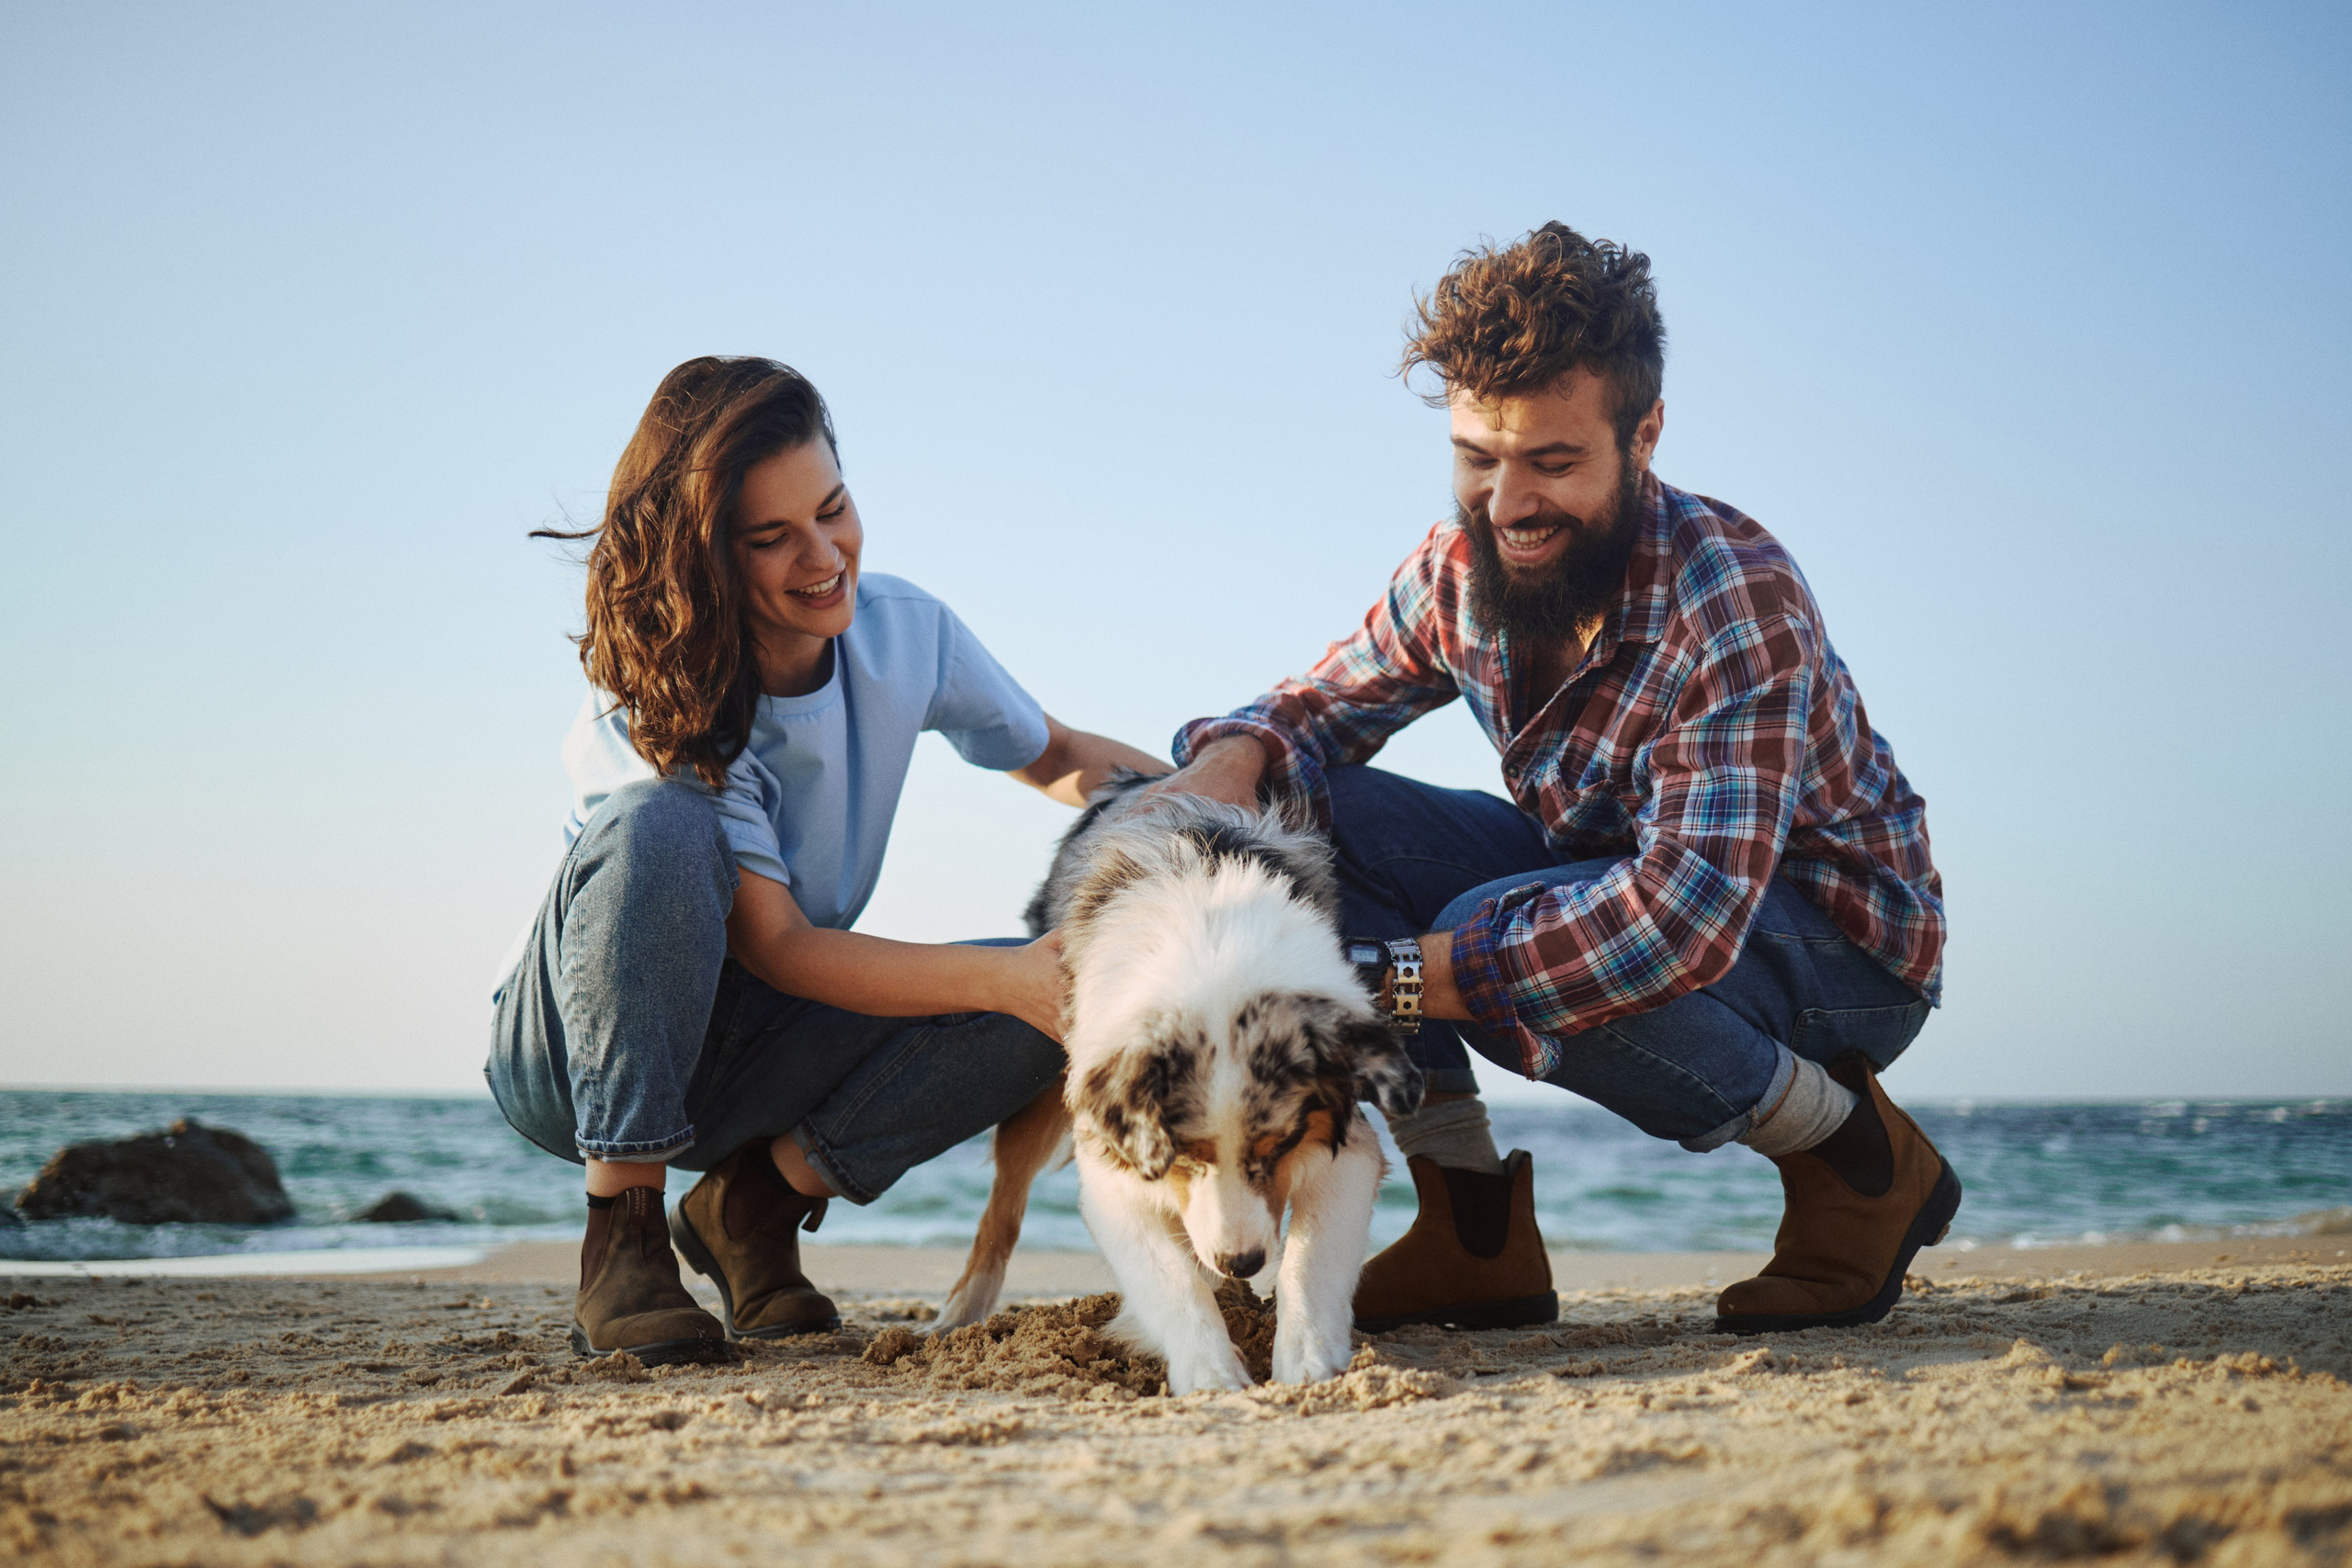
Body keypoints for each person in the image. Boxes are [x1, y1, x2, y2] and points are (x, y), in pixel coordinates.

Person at [1150, 224, 1957, 1337]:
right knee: (1306, 816)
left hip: (1835, 949)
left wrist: (1368, 984)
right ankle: (1471, 1228)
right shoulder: (1456, 567)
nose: (1507, 505)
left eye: (1553, 463)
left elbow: (1674, 925)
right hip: (1609, 881)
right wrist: (1224, 767)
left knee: (1501, 936)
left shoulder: (1733, 602)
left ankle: (1856, 1154)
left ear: (1645, 434)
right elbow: (1313, 709)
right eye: (1479, 458)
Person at [488, 356, 1163, 1364]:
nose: (824, 555)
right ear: (707, 557)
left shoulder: (907, 633)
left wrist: (1215, 787)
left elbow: (1059, 757)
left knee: (1071, 994)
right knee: (663, 825)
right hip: (582, 1056)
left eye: (834, 509)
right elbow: (781, 946)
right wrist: (1013, 977)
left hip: (753, 1054)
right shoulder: (654, 696)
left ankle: (748, 1211)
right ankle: (622, 1232)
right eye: (773, 538)